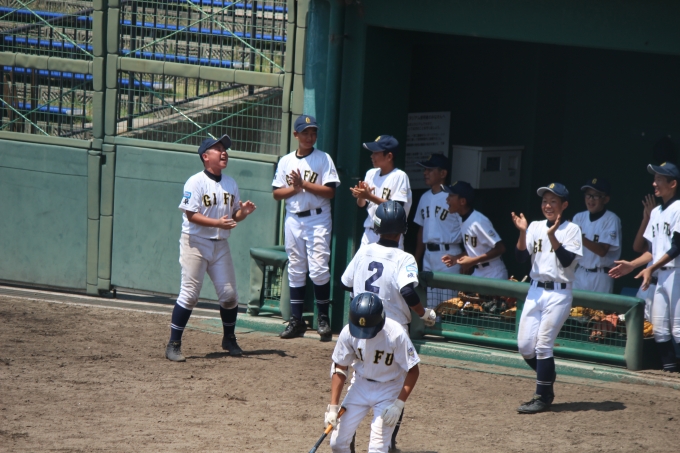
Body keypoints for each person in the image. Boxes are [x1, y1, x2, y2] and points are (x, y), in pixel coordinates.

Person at [340, 200, 435, 453]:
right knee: (393, 389)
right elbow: (408, 291)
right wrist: (423, 313)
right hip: (393, 332)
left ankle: (347, 438)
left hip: (361, 327)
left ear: (377, 226)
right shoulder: (404, 257)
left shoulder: (364, 251)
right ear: (403, 229)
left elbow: (345, 284)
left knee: (359, 379)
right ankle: (388, 443)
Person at [165, 134, 257, 362]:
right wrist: (217, 223)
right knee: (190, 295)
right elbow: (191, 214)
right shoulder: (195, 182)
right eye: (218, 149)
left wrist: (243, 213)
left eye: (225, 149)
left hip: (220, 245)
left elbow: (234, 215)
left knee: (230, 295)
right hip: (195, 243)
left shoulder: (230, 183)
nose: (224, 152)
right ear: (205, 157)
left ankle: (229, 339)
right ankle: (173, 344)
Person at [511, 182, 583, 413]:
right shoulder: (534, 226)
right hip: (535, 290)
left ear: (564, 205)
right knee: (525, 346)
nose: (548, 205)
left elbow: (566, 260)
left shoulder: (572, 229)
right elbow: (520, 258)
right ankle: (547, 375)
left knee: (543, 344)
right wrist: (523, 231)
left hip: (559, 292)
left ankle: (542, 395)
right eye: (545, 201)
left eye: (553, 201)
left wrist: (552, 236)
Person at [273, 115, 341, 341]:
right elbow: (276, 194)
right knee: (296, 268)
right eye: (305, 133)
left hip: (317, 217)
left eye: (313, 133)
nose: (310, 137)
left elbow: (330, 192)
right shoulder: (286, 161)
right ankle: (296, 320)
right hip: (293, 217)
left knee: (319, 268)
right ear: (296, 135)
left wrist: (303, 184)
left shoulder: (323, 158)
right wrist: (295, 189)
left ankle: (323, 317)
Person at [325, 292, 420, 453]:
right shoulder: (347, 332)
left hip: (389, 389)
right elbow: (340, 368)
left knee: (377, 448)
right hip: (359, 385)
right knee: (337, 443)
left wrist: (398, 404)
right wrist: (333, 407)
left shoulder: (396, 334)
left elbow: (413, 370)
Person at [635, 162, 680, 373]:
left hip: (677, 273)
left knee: (678, 328)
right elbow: (652, 251)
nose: (654, 183)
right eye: (654, 179)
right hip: (661, 275)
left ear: (673, 183)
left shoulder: (679, 207)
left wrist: (651, 268)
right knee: (660, 329)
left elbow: (677, 247)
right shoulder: (655, 212)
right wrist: (632, 265)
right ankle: (669, 372)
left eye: (659, 179)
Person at [412, 154, 463, 309]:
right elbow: (421, 229)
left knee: (449, 307)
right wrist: (416, 259)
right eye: (425, 170)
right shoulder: (424, 197)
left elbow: (466, 229)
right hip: (428, 255)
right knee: (431, 307)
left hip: (449, 254)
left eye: (430, 169)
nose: (425, 173)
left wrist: (464, 258)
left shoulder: (453, 197)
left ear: (443, 173)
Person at [351, 135, 412, 249]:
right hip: (369, 233)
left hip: (390, 236)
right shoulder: (371, 173)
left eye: (376, 153)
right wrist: (361, 195)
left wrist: (369, 196)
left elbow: (396, 208)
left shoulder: (399, 176)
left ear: (389, 156)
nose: (372, 156)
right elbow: (361, 206)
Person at [441, 181, 508, 279]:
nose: (447, 199)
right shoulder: (462, 218)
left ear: (462, 201)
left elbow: (500, 248)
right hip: (478, 271)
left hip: (493, 272)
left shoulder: (478, 220)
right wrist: (456, 258)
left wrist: (473, 261)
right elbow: (476, 250)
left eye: (451, 196)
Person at [608, 194, 657, 322]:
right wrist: (647, 218)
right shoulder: (654, 223)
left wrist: (655, 217)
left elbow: (660, 251)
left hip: (666, 283)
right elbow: (638, 247)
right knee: (638, 325)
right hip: (647, 285)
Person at [572, 178, 622, 293]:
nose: (591, 199)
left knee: (598, 306)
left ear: (606, 199)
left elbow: (602, 251)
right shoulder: (579, 217)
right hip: (579, 272)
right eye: (588, 195)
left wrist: (579, 237)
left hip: (601, 275)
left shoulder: (611, 219)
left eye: (596, 196)